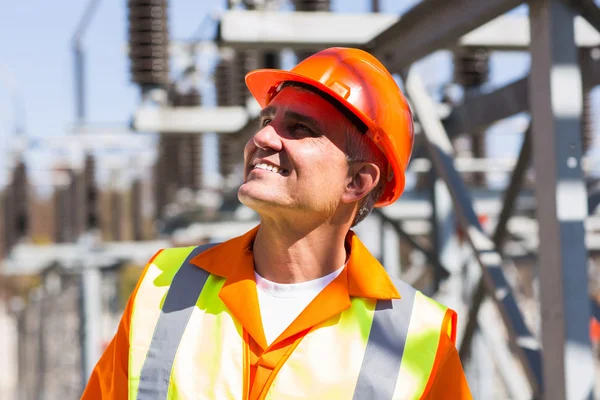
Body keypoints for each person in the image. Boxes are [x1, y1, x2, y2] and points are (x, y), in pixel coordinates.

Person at [82, 47, 471, 399]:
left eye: (300, 129)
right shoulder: (163, 286)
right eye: (268, 119)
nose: (264, 136)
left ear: (357, 182)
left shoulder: (418, 339)